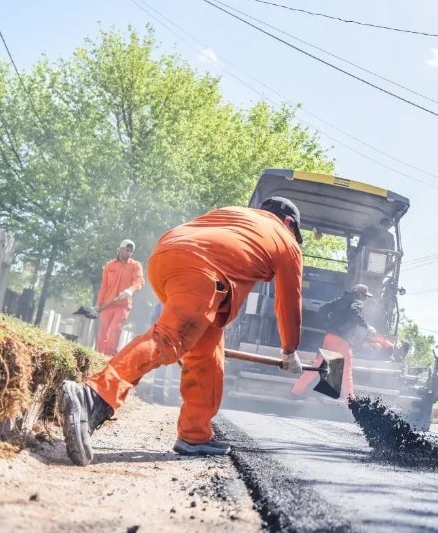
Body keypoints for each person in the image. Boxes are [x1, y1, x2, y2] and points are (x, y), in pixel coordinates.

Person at [58, 197, 305, 466]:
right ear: (289, 223)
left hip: (167, 255)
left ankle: (195, 435)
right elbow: (289, 300)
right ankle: (94, 395)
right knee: (170, 338)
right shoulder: (285, 239)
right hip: (202, 269)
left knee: (207, 351)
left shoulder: (235, 215)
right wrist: (290, 349)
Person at [291, 284, 376, 400]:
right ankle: (350, 403)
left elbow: (323, 309)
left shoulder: (342, 299)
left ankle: (296, 390)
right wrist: (366, 326)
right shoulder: (357, 301)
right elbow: (353, 312)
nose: (365, 299)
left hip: (330, 337)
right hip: (342, 340)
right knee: (346, 371)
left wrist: (330, 324)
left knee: (318, 366)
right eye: (365, 296)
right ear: (360, 294)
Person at [94, 239, 144, 356]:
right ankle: (98, 357)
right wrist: (99, 304)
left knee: (114, 330)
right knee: (102, 333)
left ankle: (108, 358)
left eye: (131, 251)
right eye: (127, 250)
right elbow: (104, 286)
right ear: (120, 249)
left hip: (123, 305)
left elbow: (139, 281)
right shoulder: (109, 265)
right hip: (107, 304)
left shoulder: (136, 265)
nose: (129, 253)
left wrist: (130, 290)